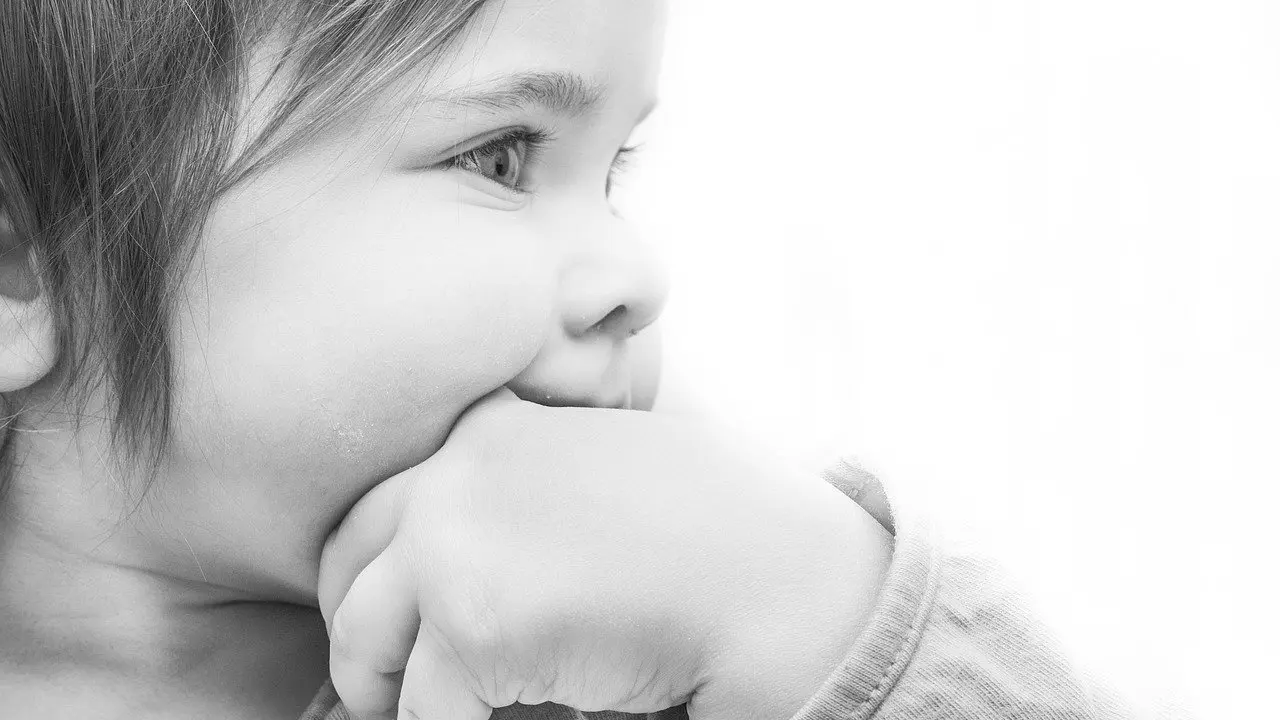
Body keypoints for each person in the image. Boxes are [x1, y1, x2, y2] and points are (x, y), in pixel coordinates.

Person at [0, 1, 1164, 719]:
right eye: (501, 157)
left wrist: (817, 619)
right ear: (20, 269)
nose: (636, 273)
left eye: (611, 173)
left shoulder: (674, 642)